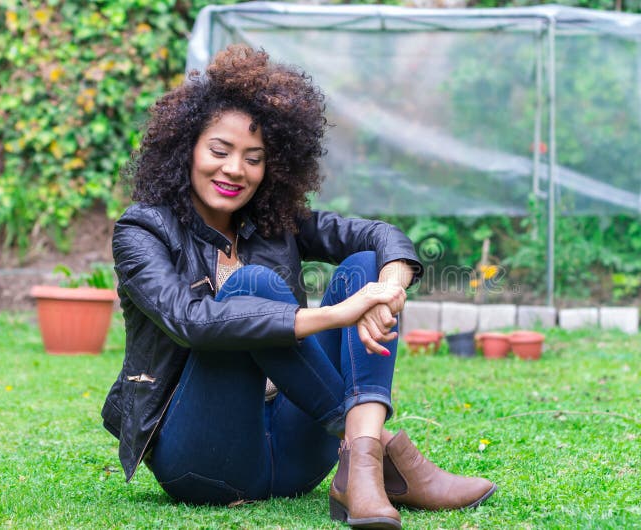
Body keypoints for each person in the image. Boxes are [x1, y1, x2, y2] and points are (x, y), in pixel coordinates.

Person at [101, 44, 496, 529]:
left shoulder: (274, 221)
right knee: (254, 283)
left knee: (365, 264)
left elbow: (380, 237)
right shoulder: (143, 230)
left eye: (254, 158)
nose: (234, 170)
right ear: (187, 149)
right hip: (203, 458)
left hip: (297, 458)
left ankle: (360, 463)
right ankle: (381, 453)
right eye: (219, 151)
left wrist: (387, 287)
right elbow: (192, 322)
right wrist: (338, 314)